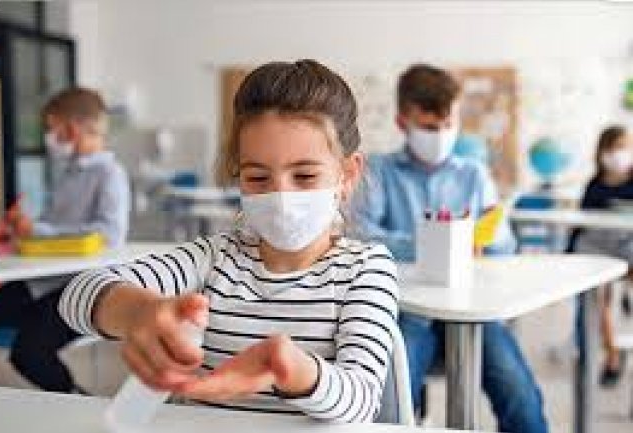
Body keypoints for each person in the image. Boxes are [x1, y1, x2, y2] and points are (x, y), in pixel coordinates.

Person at [58, 60, 399, 422]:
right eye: (257, 177)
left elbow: (362, 399)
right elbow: (77, 294)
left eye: (304, 176)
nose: (281, 195)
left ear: (347, 175)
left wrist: (290, 367)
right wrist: (141, 313)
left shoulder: (365, 269)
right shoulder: (214, 258)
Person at [355, 64, 548, 433]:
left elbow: (503, 247)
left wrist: (489, 237)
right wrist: (441, 244)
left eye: (448, 125)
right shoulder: (378, 171)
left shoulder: (473, 174)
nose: (441, 135)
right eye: (429, 127)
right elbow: (361, 236)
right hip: (408, 311)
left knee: (519, 393)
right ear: (402, 122)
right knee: (391, 400)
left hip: (472, 311)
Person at [0, 87, 130, 393]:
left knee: (29, 352)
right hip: (39, 281)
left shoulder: (110, 174)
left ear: (73, 128)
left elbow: (110, 234)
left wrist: (38, 230)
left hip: (75, 286)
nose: (49, 137)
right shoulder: (68, 173)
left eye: (52, 128)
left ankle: (76, 400)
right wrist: (20, 229)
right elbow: (54, 227)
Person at [570, 125, 632, 387]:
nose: (620, 153)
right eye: (615, 147)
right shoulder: (594, 186)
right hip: (595, 246)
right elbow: (581, 225)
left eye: (625, 147)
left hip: (627, 243)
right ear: (603, 152)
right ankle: (611, 356)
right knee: (596, 298)